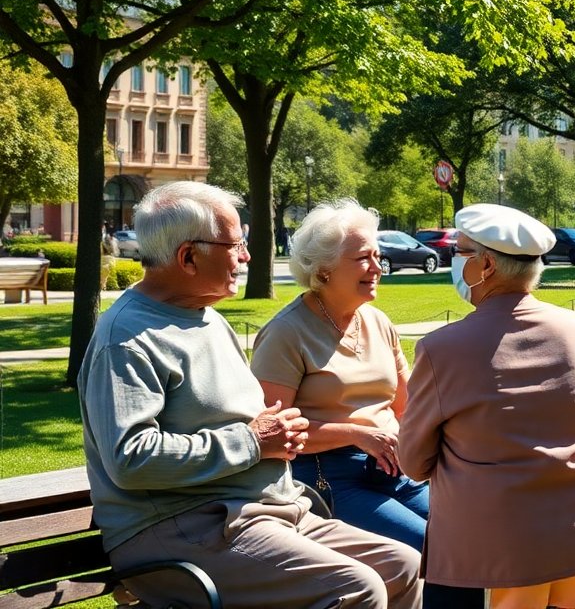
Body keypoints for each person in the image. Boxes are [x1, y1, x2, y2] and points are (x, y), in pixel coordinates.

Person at [78, 181, 421, 609]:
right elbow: (130, 459)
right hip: (181, 527)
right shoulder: (127, 339)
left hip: (262, 511)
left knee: (402, 566)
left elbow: (250, 422)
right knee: (356, 587)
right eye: (235, 245)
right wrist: (254, 441)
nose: (246, 257)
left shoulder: (206, 319)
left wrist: (280, 433)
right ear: (188, 257)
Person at [398, 204, 575, 608]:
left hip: (490, 553)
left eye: (460, 252)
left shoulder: (440, 349)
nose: (454, 260)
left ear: (485, 266)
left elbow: (413, 462)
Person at [250, 200, 429, 549]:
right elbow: (270, 434)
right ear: (324, 270)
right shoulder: (286, 332)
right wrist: (356, 434)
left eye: (377, 256)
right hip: (328, 479)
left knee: (467, 532)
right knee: (430, 546)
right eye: (363, 258)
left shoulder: (378, 322)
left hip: (394, 468)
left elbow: (407, 407)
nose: (377, 267)